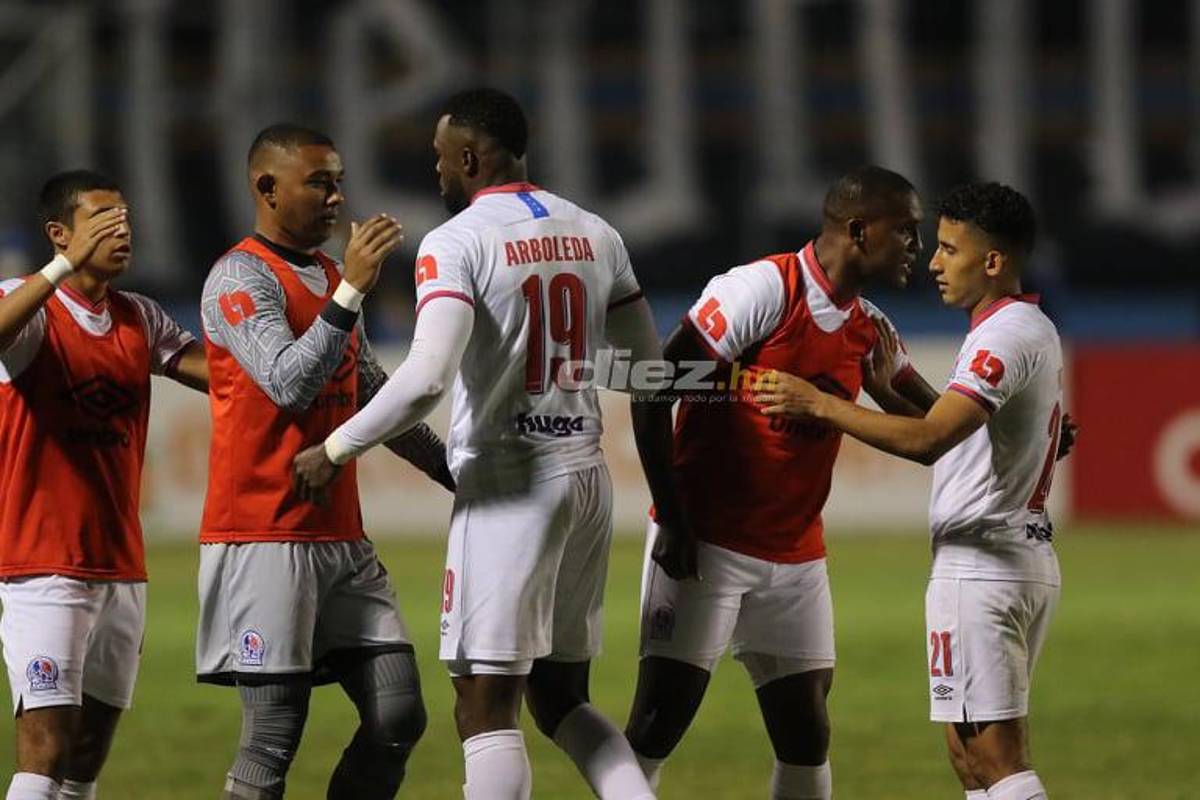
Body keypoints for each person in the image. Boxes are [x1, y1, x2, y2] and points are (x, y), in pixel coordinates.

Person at [293, 87, 687, 800]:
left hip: (511, 485)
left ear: (471, 158)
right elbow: (646, 374)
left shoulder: (456, 241)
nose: (436, 170)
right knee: (560, 697)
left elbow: (426, 379)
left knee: (483, 705)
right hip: (587, 477)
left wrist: (336, 448)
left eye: (441, 157)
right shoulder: (596, 232)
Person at [622, 165, 942, 800]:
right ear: (859, 230)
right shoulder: (763, 290)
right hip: (706, 544)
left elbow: (941, 426)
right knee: (658, 724)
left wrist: (1025, 433)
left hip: (795, 557)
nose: (918, 245)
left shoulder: (869, 327)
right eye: (906, 230)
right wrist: (675, 517)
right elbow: (651, 387)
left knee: (807, 735)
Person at [755, 182, 1063, 800]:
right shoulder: (1024, 327)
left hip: (982, 567)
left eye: (950, 249)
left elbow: (929, 441)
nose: (934, 263)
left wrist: (819, 404)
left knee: (997, 759)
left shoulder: (1003, 337)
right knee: (970, 758)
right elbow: (961, 437)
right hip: (1005, 559)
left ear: (993, 261)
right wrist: (886, 391)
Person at [197, 124, 453, 800]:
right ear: (267, 187)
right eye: (319, 182)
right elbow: (288, 382)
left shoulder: (334, 277)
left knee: (398, 717)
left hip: (340, 535)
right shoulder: (239, 277)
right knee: (272, 738)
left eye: (339, 181)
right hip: (263, 535)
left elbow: (371, 395)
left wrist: (452, 469)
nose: (337, 196)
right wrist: (352, 294)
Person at [0, 170, 208, 800]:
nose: (121, 231)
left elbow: (225, 378)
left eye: (125, 219)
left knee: (86, 757)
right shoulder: (27, 303)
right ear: (59, 233)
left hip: (120, 566)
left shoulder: (139, 316)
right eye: (102, 220)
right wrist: (61, 270)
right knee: (45, 750)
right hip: (42, 566)